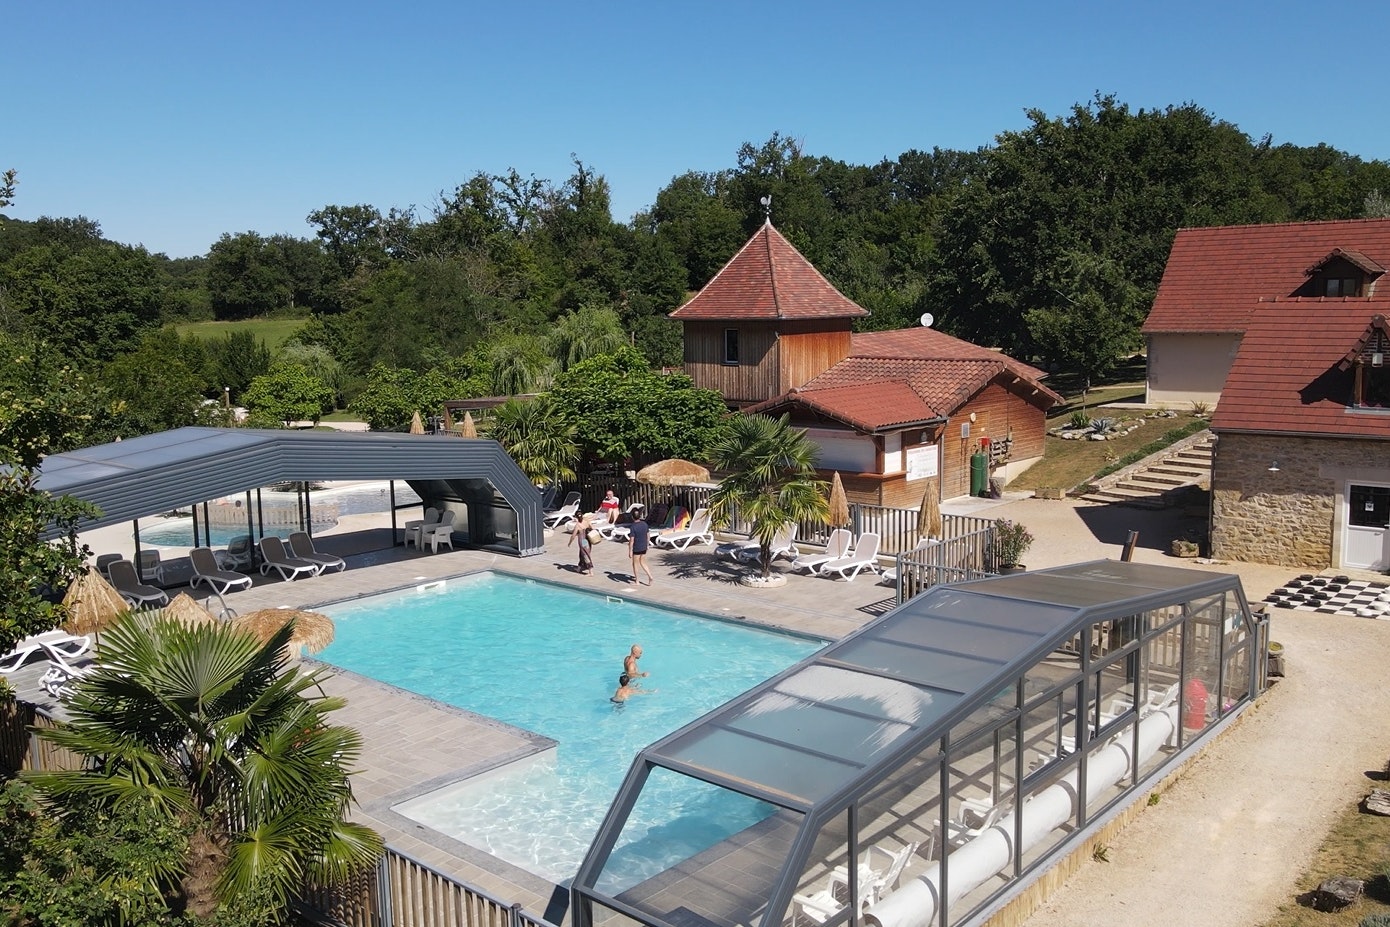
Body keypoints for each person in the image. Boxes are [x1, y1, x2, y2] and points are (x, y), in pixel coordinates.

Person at [627, 506, 654, 585]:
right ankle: (650, 576)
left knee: (635, 564)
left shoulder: (633, 527)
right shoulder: (644, 524)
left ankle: (637, 581)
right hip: (644, 546)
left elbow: (632, 540)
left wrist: (630, 551)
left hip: (637, 547)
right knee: (642, 562)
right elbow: (648, 535)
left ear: (632, 517)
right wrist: (647, 544)